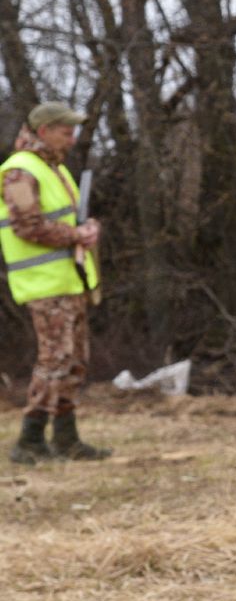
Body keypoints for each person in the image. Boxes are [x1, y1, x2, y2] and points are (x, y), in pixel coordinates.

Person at [2, 101, 109, 464]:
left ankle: (66, 439)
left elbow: (66, 220)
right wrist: (76, 235)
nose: (73, 139)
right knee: (55, 361)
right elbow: (27, 226)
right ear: (44, 131)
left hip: (68, 282)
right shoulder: (20, 172)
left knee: (74, 361)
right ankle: (30, 440)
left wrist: (88, 228)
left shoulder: (54, 169)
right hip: (44, 285)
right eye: (66, 132)